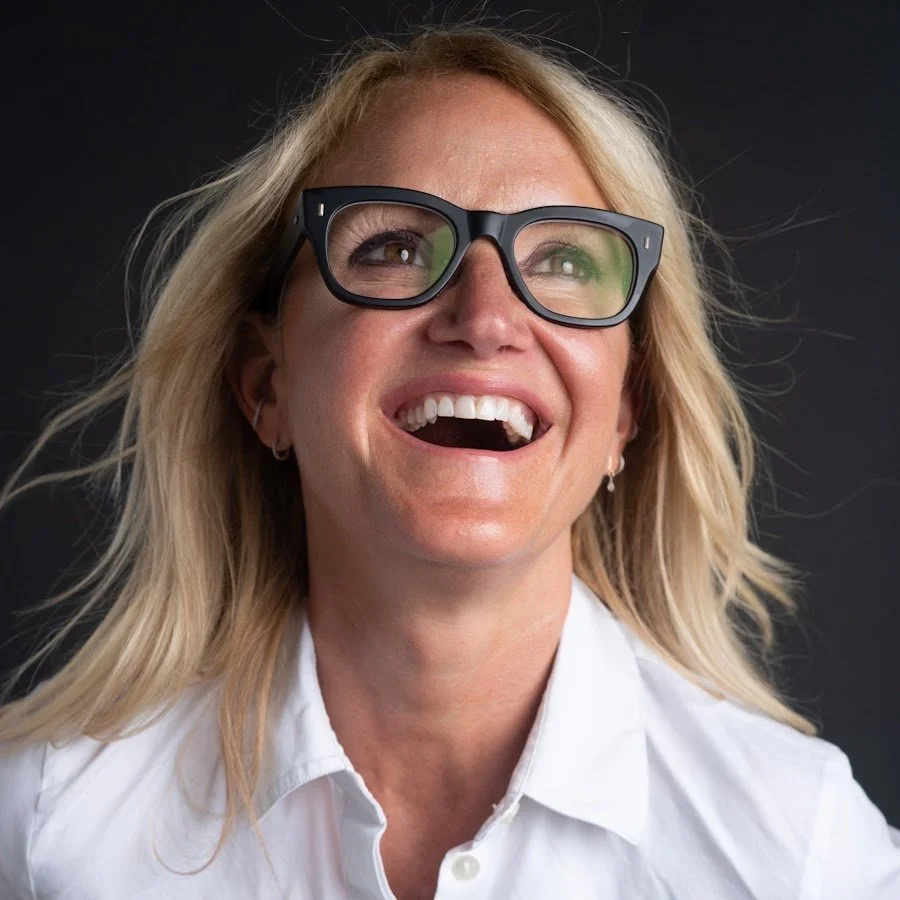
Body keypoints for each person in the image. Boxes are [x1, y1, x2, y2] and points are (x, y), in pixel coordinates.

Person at [0, 24, 897, 900]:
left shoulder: (803, 856)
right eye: (392, 248)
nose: (486, 317)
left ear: (625, 413)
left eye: (564, 260)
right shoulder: (48, 834)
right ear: (266, 387)